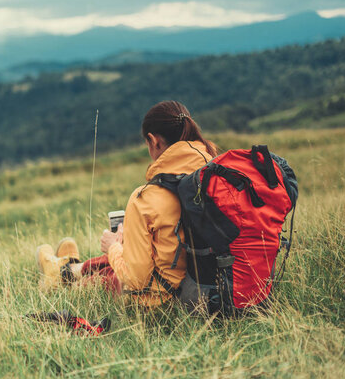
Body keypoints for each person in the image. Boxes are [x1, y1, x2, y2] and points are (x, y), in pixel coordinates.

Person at [36, 100, 218, 308]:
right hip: (207, 280)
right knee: (126, 251)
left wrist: (113, 247)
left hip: (164, 298)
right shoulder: (214, 168)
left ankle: (61, 278)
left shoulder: (147, 198)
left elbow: (137, 280)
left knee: (113, 272)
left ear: (153, 140)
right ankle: (68, 268)